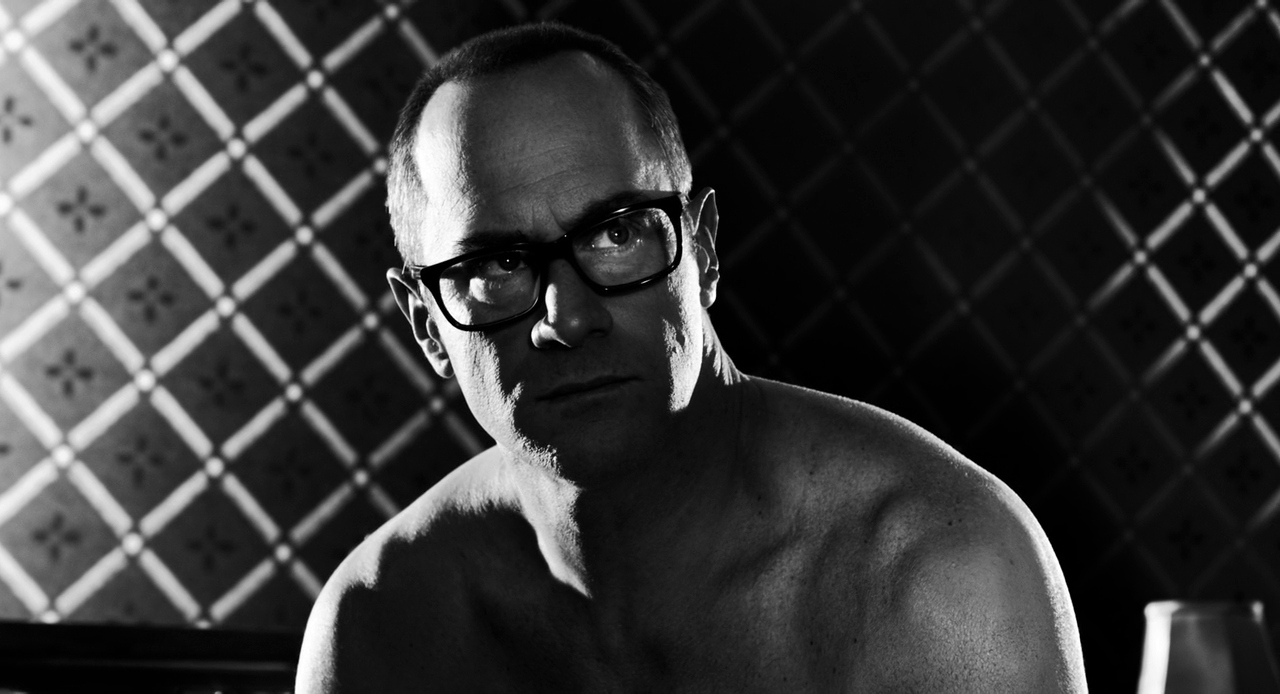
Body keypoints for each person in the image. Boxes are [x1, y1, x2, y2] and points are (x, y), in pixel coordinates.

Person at [296, 22, 1087, 693]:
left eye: (617, 234)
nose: (568, 317)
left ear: (702, 250)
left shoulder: (935, 571)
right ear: (427, 323)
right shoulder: (381, 623)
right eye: (496, 266)